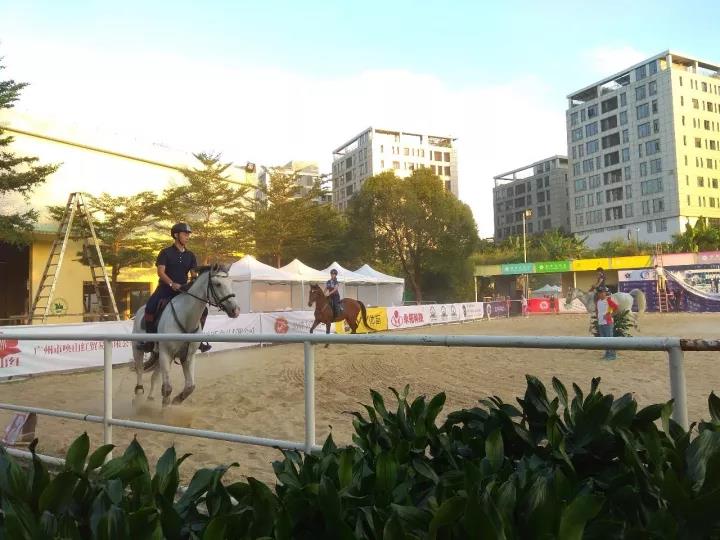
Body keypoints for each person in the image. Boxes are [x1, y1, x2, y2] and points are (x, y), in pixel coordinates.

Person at [138, 223, 209, 352]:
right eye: (185, 234)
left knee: (204, 310)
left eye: (188, 234)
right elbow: (160, 272)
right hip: (165, 289)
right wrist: (171, 283)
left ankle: (198, 340)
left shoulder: (190, 255)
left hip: (183, 290)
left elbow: (193, 274)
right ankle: (150, 341)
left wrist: (196, 279)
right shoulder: (165, 252)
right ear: (176, 235)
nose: (187, 237)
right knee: (150, 307)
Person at [596, 286, 618, 361]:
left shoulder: (608, 300)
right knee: (604, 340)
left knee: (609, 339)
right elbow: (598, 311)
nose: (601, 294)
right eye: (599, 293)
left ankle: (612, 355)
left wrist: (610, 315)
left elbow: (616, 308)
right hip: (601, 323)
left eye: (602, 292)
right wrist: (598, 319)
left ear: (605, 293)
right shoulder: (598, 301)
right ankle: (607, 354)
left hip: (608, 323)